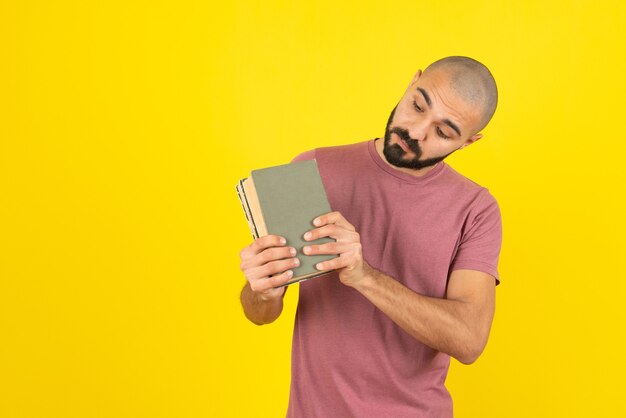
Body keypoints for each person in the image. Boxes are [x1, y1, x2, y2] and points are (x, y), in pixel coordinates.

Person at [238, 56, 502, 417]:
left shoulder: (476, 209)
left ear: (469, 142)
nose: (417, 131)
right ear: (412, 81)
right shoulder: (311, 169)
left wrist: (364, 276)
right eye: (417, 105)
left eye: (444, 132)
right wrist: (261, 291)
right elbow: (260, 314)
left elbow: (469, 341)